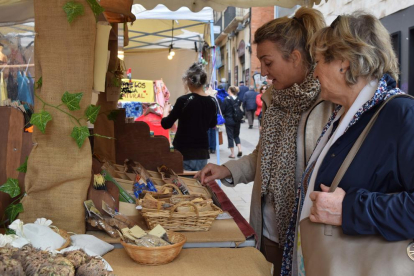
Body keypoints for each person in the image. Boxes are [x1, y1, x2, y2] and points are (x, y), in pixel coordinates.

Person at [195, 7, 332, 275]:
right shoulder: (273, 100)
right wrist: (228, 169)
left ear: (294, 58)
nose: (263, 72)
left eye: (268, 62)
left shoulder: (329, 104)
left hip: (308, 236)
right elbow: (262, 155)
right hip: (268, 230)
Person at [282, 12, 414, 276]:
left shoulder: (401, 114)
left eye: (318, 61)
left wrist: (350, 209)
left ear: (343, 63)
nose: (314, 71)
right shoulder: (345, 114)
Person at [161, 62, 217, 171]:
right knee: (198, 184)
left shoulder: (183, 100)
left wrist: (165, 111)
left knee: (184, 185)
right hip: (202, 153)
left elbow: (166, 124)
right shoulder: (212, 101)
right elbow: (212, 124)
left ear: (189, 81)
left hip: (183, 151)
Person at [222, 86, 243, 158]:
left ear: (230, 91)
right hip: (237, 120)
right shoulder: (238, 99)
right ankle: (240, 149)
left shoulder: (226, 99)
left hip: (229, 120)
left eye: (228, 89)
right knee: (236, 135)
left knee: (230, 136)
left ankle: (232, 154)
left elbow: (223, 110)